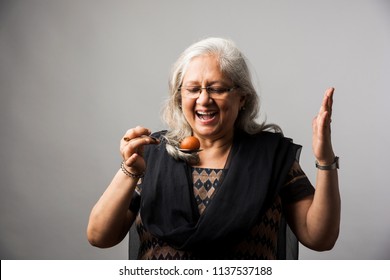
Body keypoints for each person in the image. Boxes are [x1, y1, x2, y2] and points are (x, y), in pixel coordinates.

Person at [87, 37, 340, 260]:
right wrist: (130, 170)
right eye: (193, 89)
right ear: (179, 98)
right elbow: (100, 236)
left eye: (217, 88)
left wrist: (325, 160)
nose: (204, 99)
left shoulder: (270, 158)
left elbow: (319, 238)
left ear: (242, 98)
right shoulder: (151, 153)